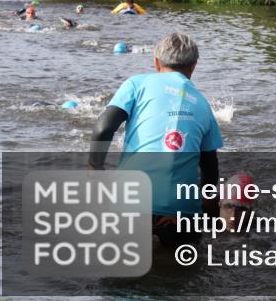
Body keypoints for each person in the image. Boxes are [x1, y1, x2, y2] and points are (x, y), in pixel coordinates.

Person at [88, 33, 223, 248]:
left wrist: (95, 168)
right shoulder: (203, 104)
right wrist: (210, 208)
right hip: (182, 211)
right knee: (182, 272)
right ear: (194, 66)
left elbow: (104, 128)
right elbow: (209, 165)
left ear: (156, 62)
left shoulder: (136, 84)